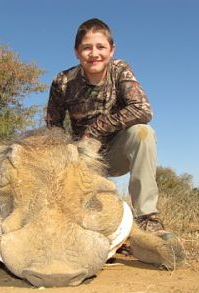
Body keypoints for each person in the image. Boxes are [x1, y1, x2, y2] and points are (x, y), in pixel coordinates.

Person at [46, 18, 166, 235]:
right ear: (76, 51)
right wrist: (68, 154)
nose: (94, 53)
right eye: (86, 47)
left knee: (143, 133)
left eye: (101, 47)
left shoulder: (120, 70)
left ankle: (147, 217)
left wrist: (95, 129)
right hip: (81, 159)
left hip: (115, 154)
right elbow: (53, 126)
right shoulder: (62, 81)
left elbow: (143, 109)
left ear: (112, 50)